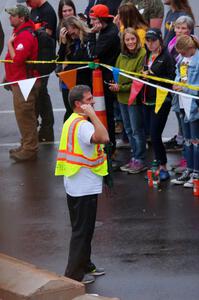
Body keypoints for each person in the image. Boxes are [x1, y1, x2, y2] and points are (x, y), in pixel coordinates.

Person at [55, 84, 109, 284]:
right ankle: (72, 276)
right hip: (83, 186)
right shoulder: (84, 125)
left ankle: (85, 264)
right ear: (79, 104)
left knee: (84, 229)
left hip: (75, 183)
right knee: (82, 231)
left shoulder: (72, 120)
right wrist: (93, 115)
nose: (92, 102)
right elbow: (104, 137)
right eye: (89, 100)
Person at [17, 0, 57, 143]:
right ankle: (41, 128)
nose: (27, 4)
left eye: (28, 1)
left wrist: (30, 31)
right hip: (34, 60)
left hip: (44, 60)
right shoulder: (34, 10)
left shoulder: (48, 11)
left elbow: (46, 35)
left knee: (41, 94)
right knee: (39, 95)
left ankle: (47, 129)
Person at [4, 5, 40, 161]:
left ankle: (30, 149)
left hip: (24, 82)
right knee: (23, 116)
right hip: (20, 80)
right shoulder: (19, 32)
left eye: (13, 15)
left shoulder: (25, 35)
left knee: (25, 116)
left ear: (22, 18)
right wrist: (8, 76)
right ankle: (26, 144)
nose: (10, 17)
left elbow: (17, 60)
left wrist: (10, 45)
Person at [109, 28, 147, 173]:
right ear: (123, 42)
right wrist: (114, 84)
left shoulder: (142, 54)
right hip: (122, 98)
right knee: (129, 130)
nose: (130, 42)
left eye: (133, 39)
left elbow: (138, 81)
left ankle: (140, 159)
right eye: (127, 40)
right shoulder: (121, 55)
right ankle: (134, 157)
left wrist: (121, 88)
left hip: (133, 98)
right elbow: (116, 72)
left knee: (137, 130)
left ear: (137, 40)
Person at [142, 28, 176, 181]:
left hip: (162, 100)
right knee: (150, 134)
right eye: (148, 40)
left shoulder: (167, 57)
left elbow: (171, 79)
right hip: (147, 99)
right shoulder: (147, 54)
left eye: (153, 40)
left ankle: (163, 167)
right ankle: (156, 162)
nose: (150, 43)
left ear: (160, 40)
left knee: (155, 134)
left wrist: (153, 77)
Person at [88, 4, 120, 156]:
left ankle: (111, 147)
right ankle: (109, 146)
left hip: (109, 79)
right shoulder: (107, 29)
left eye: (94, 20)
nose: (92, 23)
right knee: (106, 113)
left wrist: (91, 36)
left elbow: (93, 53)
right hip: (106, 76)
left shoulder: (108, 34)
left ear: (101, 20)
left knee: (108, 114)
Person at [163, 0, 195, 152]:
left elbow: (187, 68)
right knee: (178, 112)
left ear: (189, 31)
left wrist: (182, 84)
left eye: (184, 28)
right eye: (177, 27)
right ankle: (181, 139)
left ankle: (185, 144)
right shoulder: (172, 43)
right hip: (174, 81)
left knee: (188, 118)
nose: (180, 31)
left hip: (187, 87)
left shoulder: (190, 48)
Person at [171, 35, 199, 188]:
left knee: (196, 141)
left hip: (194, 105)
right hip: (182, 103)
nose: (180, 55)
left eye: (182, 52)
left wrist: (185, 88)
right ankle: (188, 170)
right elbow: (178, 76)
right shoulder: (182, 60)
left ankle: (196, 172)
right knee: (187, 140)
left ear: (190, 49)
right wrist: (176, 84)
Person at [57, 16, 93, 121]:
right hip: (68, 83)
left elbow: (85, 62)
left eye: (73, 33)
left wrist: (68, 67)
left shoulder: (87, 39)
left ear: (77, 27)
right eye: (69, 34)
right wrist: (63, 44)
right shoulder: (70, 42)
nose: (72, 36)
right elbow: (59, 61)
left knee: (83, 115)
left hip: (82, 83)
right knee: (70, 112)